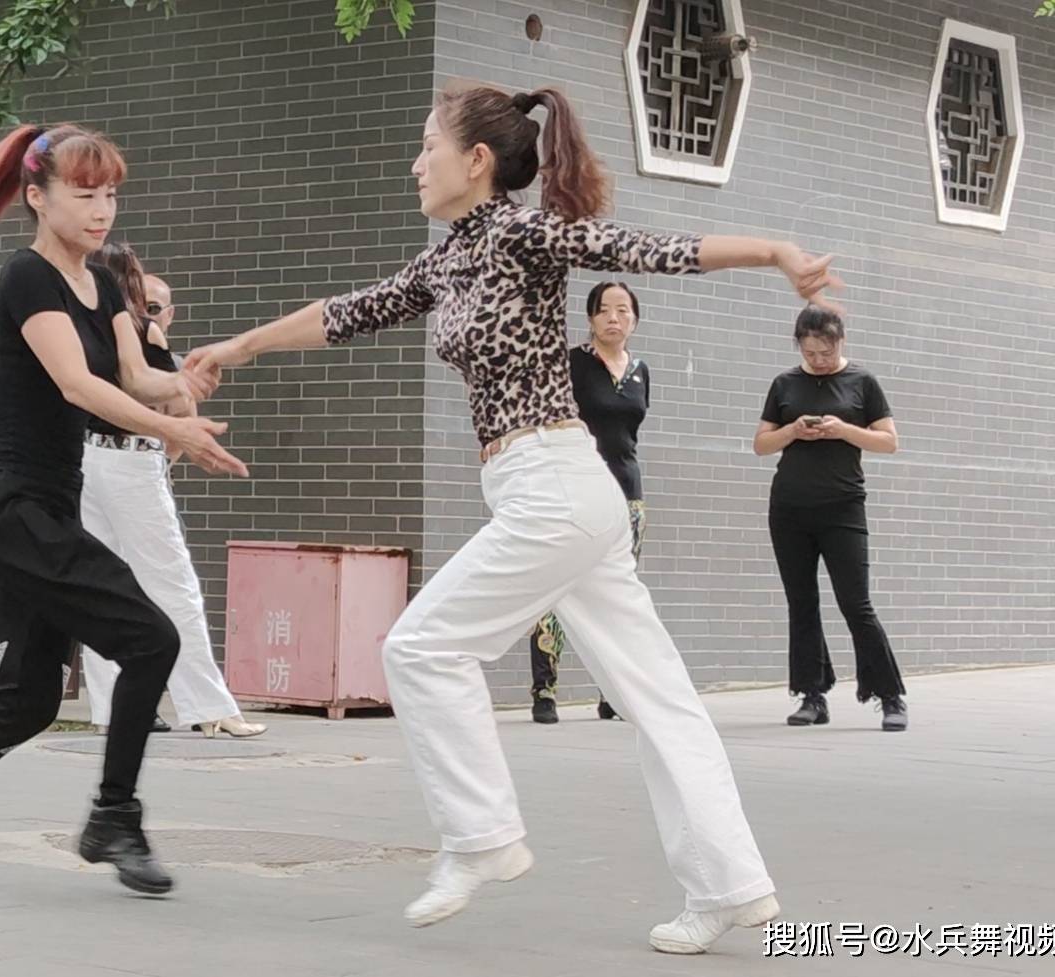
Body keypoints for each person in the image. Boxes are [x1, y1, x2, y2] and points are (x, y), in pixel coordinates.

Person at [188, 84, 844, 951]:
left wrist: (774, 251)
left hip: (552, 488)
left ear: (476, 161)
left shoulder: (526, 233)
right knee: (660, 701)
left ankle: (483, 837)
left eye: (427, 145)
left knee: (420, 647)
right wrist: (237, 346)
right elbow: (347, 312)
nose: (414, 161)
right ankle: (730, 885)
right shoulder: (448, 257)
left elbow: (645, 248)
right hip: (561, 497)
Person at [0, 123, 245, 895]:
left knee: (27, 700)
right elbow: (74, 383)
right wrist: (173, 429)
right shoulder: (26, 278)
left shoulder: (103, 282)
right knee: (150, 637)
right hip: (16, 507)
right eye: (84, 193)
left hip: (53, 509)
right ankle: (113, 815)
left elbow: (131, 377)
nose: (102, 209)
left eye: (110, 194)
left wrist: (189, 380)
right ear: (37, 196)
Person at [77, 242, 266, 739]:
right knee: (172, 582)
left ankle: (109, 708)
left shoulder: (76, 329)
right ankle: (207, 705)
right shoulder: (142, 327)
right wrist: (174, 440)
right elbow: (167, 393)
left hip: (84, 458)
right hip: (131, 458)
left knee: (102, 584)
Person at [754, 306, 906, 731]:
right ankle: (811, 695)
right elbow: (761, 445)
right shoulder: (784, 383)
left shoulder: (863, 382)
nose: (819, 359)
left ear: (840, 341)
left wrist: (844, 430)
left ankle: (889, 695)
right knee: (802, 604)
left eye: (827, 350)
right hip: (789, 508)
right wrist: (793, 431)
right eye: (811, 351)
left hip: (842, 507)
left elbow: (889, 442)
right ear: (799, 344)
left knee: (856, 603)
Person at [527, 281, 648, 724]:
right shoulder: (573, 363)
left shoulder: (640, 370)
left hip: (627, 494)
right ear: (591, 318)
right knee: (557, 588)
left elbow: (630, 435)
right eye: (604, 310)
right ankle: (545, 691)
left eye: (623, 310)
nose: (614, 318)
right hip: (575, 490)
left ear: (635, 318)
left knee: (616, 596)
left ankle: (611, 694)